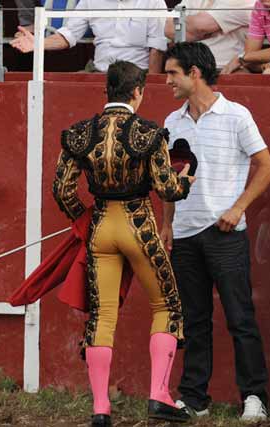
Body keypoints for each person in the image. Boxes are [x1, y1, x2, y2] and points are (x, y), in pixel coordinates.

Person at [53, 60, 194, 427]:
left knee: (102, 317)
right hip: (139, 227)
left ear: (106, 92)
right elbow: (166, 189)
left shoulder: (81, 133)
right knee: (167, 305)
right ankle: (159, 395)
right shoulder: (149, 133)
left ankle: (100, 409)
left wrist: (82, 218)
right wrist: (186, 182)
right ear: (138, 92)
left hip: (101, 228)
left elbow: (62, 189)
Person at [161, 42, 270, 422]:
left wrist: (238, 207)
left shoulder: (236, 115)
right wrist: (167, 224)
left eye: (173, 73)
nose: (167, 80)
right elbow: (168, 181)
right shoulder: (171, 122)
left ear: (194, 73)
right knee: (194, 320)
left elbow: (267, 167)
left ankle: (254, 397)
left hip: (225, 234)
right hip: (186, 235)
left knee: (239, 317)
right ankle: (194, 398)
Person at [10, 0, 168, 73]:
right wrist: (38, 43)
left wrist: (151, 86)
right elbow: (69, 35)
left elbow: (157, 49)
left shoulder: (154, 2)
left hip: (136, 76)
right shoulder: (91, 1)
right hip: (99, 73)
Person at [164, 0, 255, 70]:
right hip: (189, 68)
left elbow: (200, 26)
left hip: (225, 68)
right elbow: (167, 28)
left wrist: (190, 31)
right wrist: (197, 31)